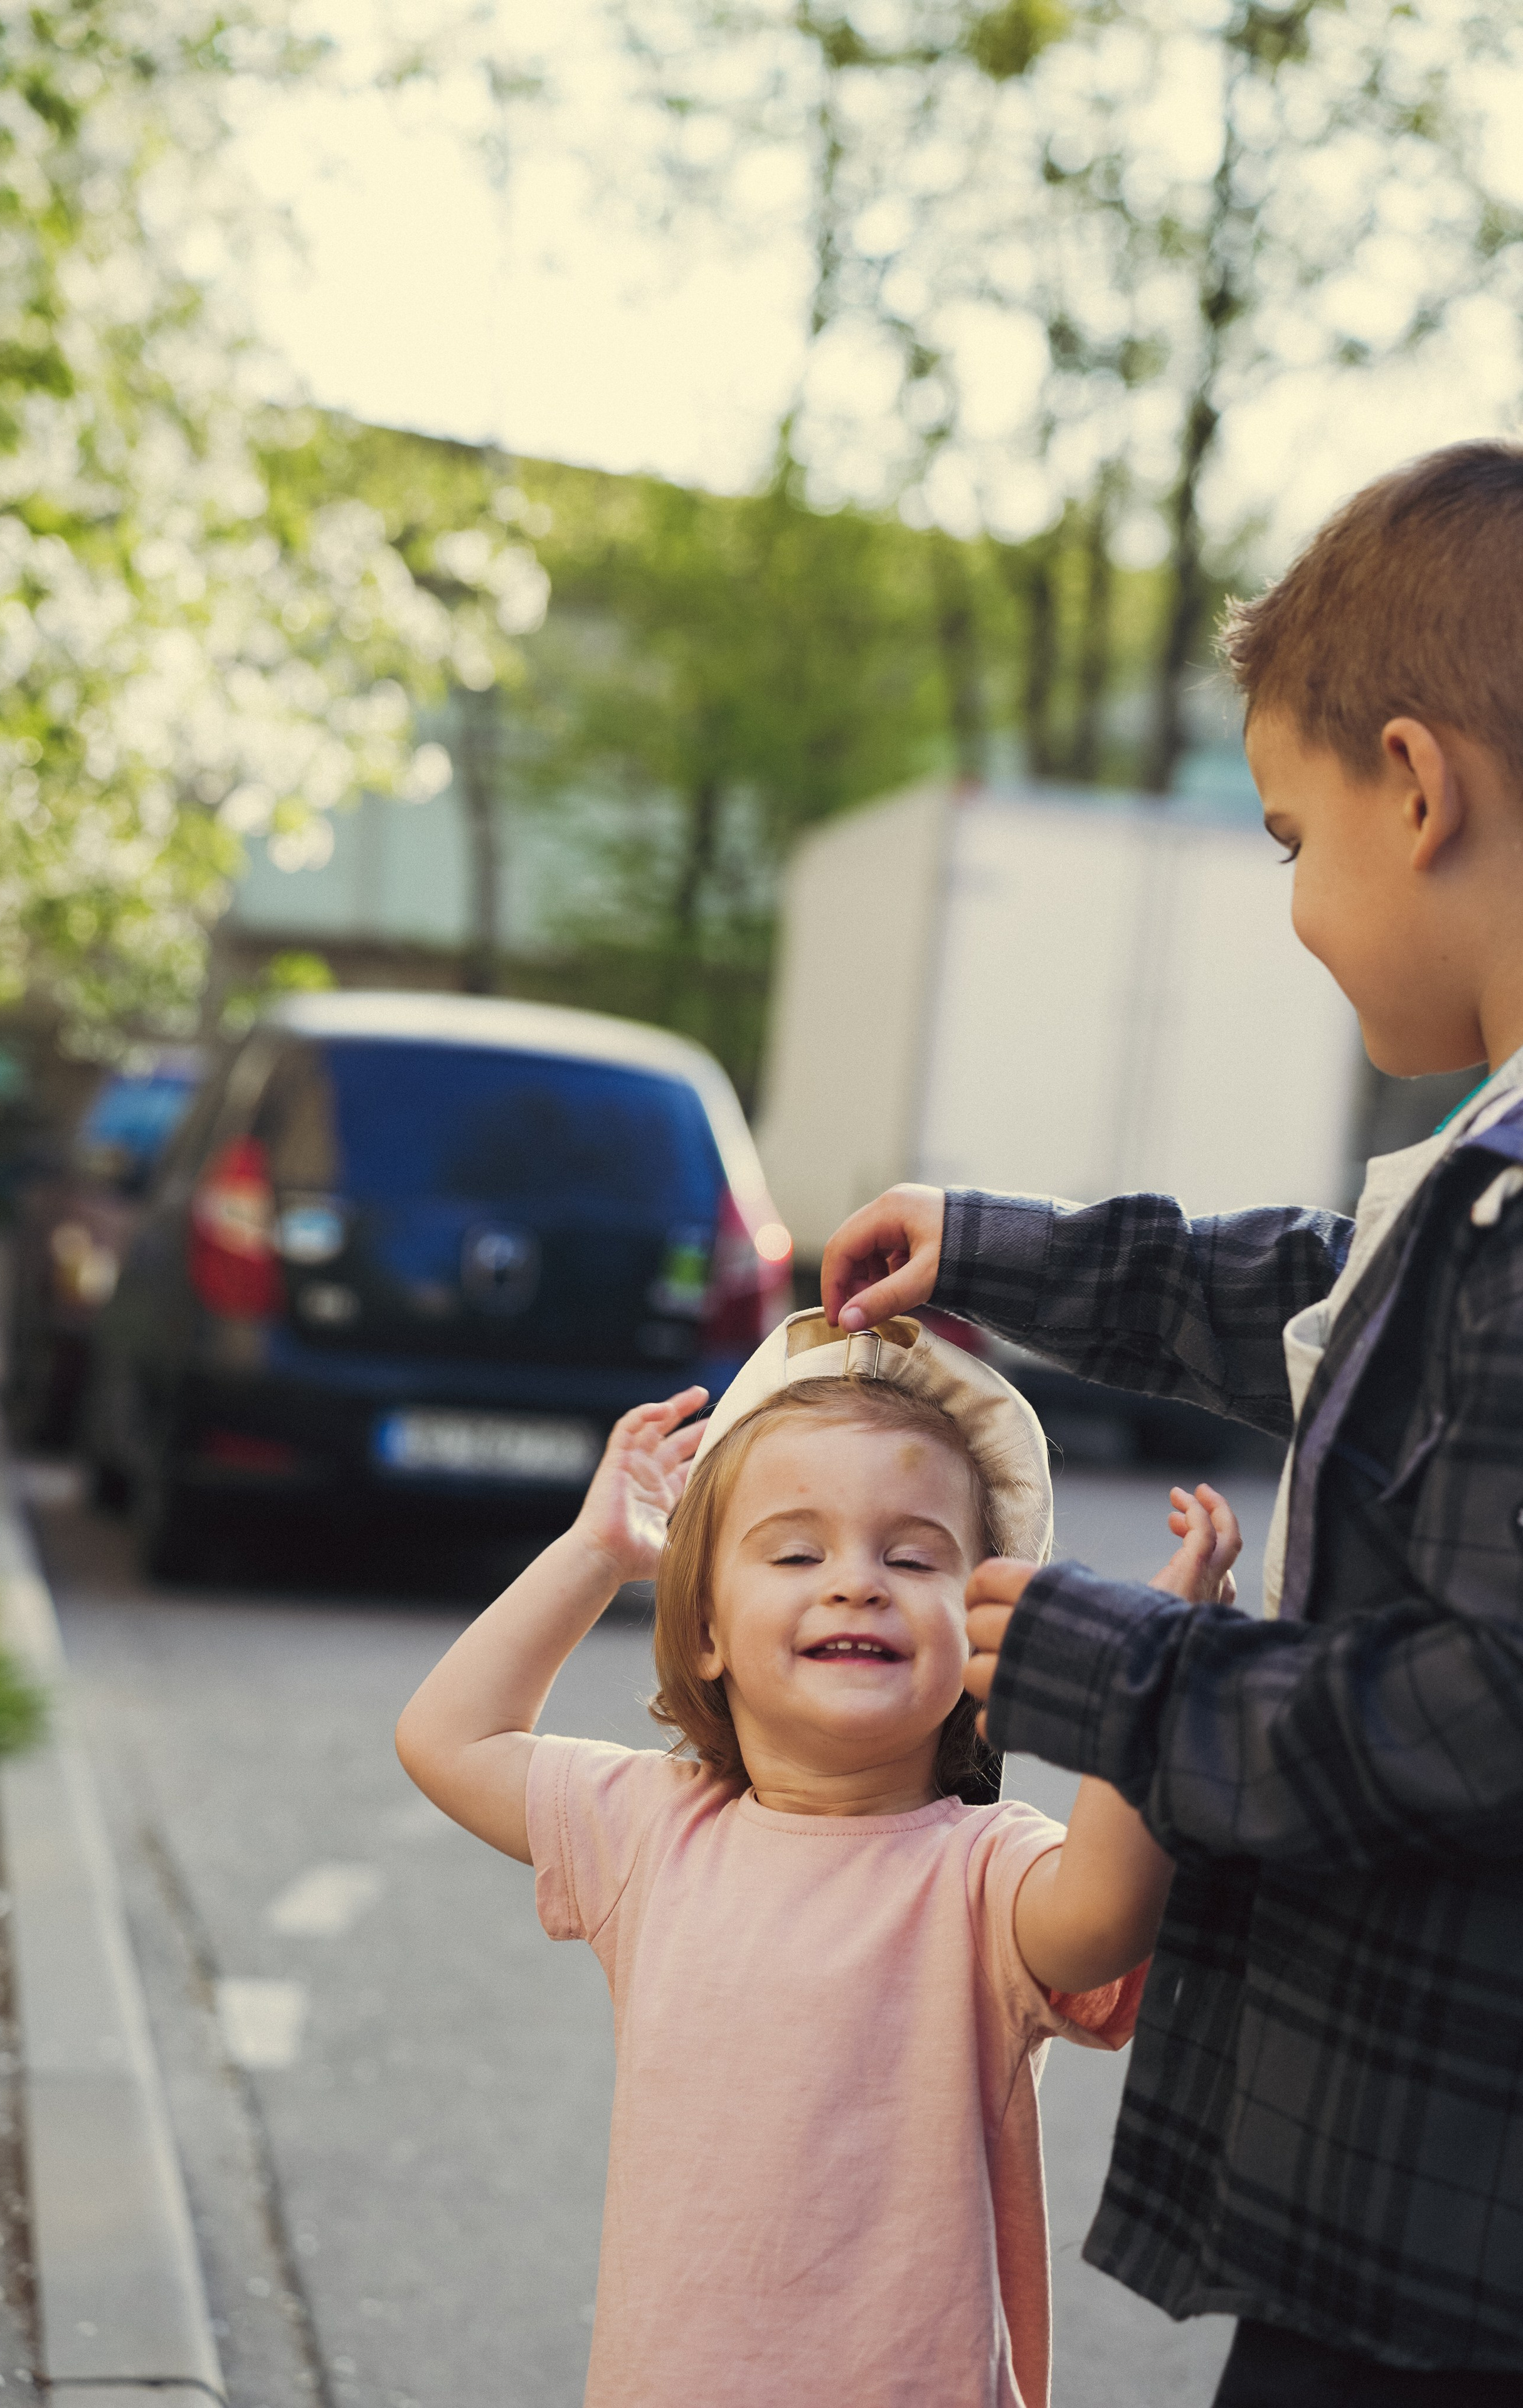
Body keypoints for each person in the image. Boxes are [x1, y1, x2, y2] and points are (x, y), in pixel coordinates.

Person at [819, 441, 1523, 2407]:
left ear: (1417, 783)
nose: (1295, 905)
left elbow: (1489, 1706)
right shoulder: (1487, 1160)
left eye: (1294, 841)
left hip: (1446, 2269)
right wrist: (991, 1247)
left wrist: (1105, 1662)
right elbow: (1320, 1300)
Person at [395, 1309, 1240, 2408]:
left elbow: (1104, 1917)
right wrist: (599, 1554)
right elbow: (447, 1738)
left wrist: (1147, 1690)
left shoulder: (984, 1873)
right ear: (705, 1629)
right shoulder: (655, 1829)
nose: (857, 1582)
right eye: (796, 1551)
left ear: (988, 1642)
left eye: (912, 1555)